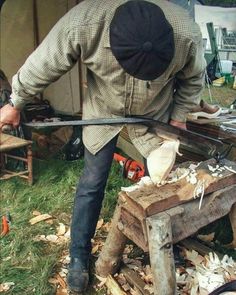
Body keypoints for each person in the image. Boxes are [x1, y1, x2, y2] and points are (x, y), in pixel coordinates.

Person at [0, 0, 206, 293]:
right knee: (93, 181)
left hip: (153, 113)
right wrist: (15, 102)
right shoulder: (86, 22)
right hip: (104, 109)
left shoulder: (186, 34)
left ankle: (161, 245)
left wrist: (180, 117)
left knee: (160, 185)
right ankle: (79, 257)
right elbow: (45, 61)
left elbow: (193, 78)